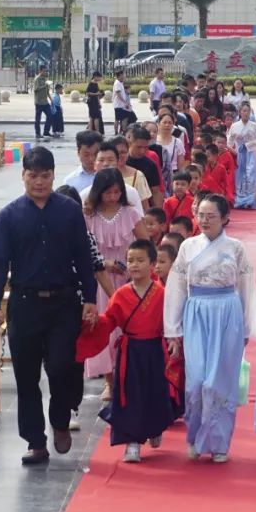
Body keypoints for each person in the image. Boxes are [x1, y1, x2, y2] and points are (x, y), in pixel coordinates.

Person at [0, 146, 98, 464]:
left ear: (53, 175)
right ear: (23, 175)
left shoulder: (69, 211)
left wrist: (90, 299)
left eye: (45, 176)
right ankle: (35, 441)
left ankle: (60, 421)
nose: (39, 182)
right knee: (26, 376)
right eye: (33, 175)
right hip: (25, 304)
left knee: (62, 367)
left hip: (64, 303)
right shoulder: (9, 216)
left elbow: (83, 257)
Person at [164, 194, 256, 463]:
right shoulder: (188, 247)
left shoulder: (236, 248)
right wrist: (173, 329)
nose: (204, 221)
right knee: (196, 381)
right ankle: (195, 436)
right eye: (201, 215)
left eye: (211, 216)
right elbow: (176, 287)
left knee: (220, 381)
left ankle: (219, 442)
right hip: (196, 312)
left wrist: (247, 326)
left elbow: (246, 287)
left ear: (225, 218)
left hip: (227, 313)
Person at [78, 239, 175, 463]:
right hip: (130, 352)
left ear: (152, 264)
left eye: (140, 260)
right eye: (130, 260)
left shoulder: (162, 293)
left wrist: (174, 342)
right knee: (129, 395)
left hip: (154, 350)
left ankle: (155, 427)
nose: (134, 265)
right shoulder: (121, 294)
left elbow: (171, 322)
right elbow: (109, 321)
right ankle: (132, 442)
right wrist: (95, 321)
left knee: (154, 392)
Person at [83, 168, 150, 399]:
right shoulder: (89, 216)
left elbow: (145, 242)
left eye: (116, 192)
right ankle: (109, 381)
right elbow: (84, 251)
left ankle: (129, 377)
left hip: (127, 277)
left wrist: (137, 266)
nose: (112, 197)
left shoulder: (130, 213)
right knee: (106, 329)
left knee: (129, 328)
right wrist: (105, 263)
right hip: (99, 279)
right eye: (107, 193)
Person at [228, 102, 256, 210]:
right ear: (240, 112)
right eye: (243, 111)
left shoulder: (254, 125)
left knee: (251, 176)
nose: (246, 113)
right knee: (239, 176)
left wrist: (248, 145)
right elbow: (229, 141)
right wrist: (233, 150)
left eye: (248, 111)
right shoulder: (234, 126)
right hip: (239, 153)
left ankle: (250, 201)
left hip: (250, 153)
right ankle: (240, 201)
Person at [156, 111, 187, 193]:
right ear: (159, 124)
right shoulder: (154, 142)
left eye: (170, 123)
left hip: (173, 176)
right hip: (156, 175)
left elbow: (181, 165)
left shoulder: (178, 142)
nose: (167, 125)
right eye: (164, 122)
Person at [33, 66, 52, 141]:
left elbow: (47, 91)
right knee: (38, 119)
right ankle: (38, 133)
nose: (45, 72)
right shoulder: (37, 79)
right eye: (43, 71)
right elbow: (35, 90)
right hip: (39, 102)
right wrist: (44, 86)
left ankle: (46, 131)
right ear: (40, 71)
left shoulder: (45, 79)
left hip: (45, 102)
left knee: (50, 116)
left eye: (45, 71)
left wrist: (51, 100)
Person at [113, 70, 135, 134]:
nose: (124, 76)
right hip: (118, 105)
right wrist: (125, 102)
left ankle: (120, 131)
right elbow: (118, 94)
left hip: (120, 105)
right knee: (120, 119)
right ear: (120, 76)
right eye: (123, 75)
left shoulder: (120, 83)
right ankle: (120, 132)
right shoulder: (117, 83)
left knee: (120, 119)